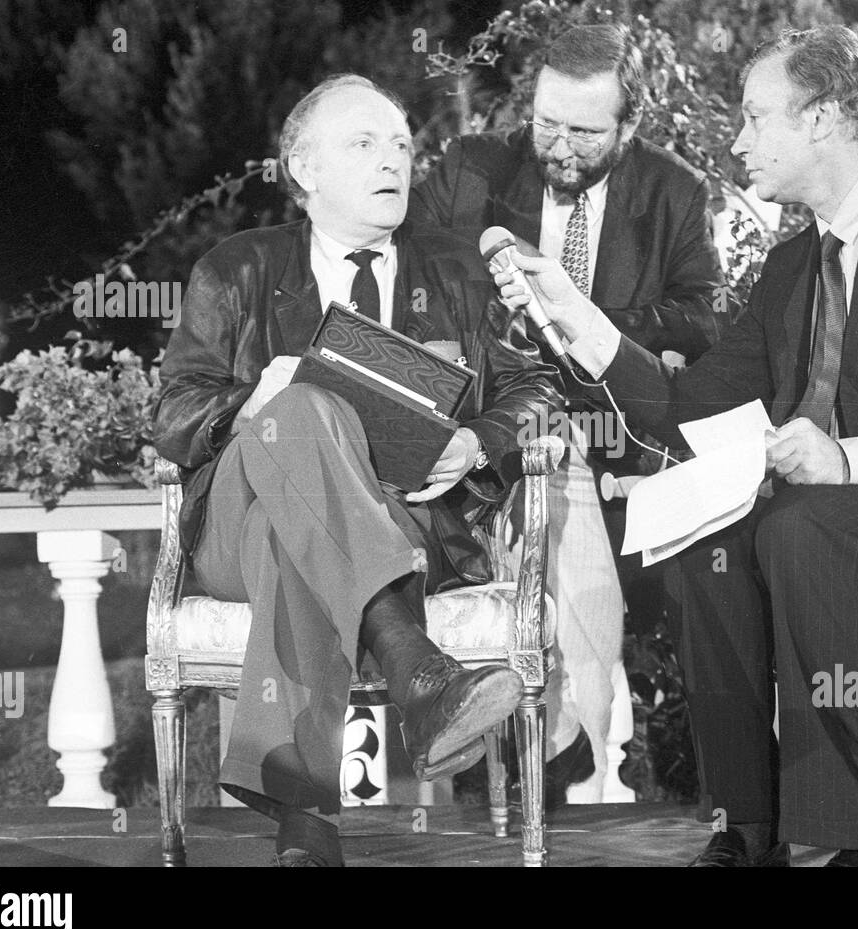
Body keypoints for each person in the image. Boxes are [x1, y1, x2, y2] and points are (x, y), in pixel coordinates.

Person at [491, 25, 858, 866]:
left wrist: (846, 462)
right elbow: (682, 406)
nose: (737, 141)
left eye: (754, 117)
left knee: (806, 527)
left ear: (823, 118)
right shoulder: (789, 270)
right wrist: (575, 319)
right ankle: (750, 827)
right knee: (710, 543)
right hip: (840, 525)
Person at [153, 74, 561, 867]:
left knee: (293, 539)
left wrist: (476, 442)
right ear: (304, 169)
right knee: (301, 409)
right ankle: (416, 668)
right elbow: (171, 413)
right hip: (236, 524)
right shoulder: (235, 270)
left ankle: (304, 828)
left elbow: (534, 389)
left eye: (403, 145)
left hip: (410, 521)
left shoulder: (456, 272)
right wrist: (251, 403)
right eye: (365, 143)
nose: (394, 161)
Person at [409, 23, 727, 802]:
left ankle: (560, 754)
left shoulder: (673, 191)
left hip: (611, 436)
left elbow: (702, 317)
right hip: (491, 430)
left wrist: (588, 319)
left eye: (584, 132)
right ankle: (546, 754)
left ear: (629, 124)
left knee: (571, 494)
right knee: (537, 487)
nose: (558, 147)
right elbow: (411, 282)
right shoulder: (472, 171)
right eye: (546, 123)